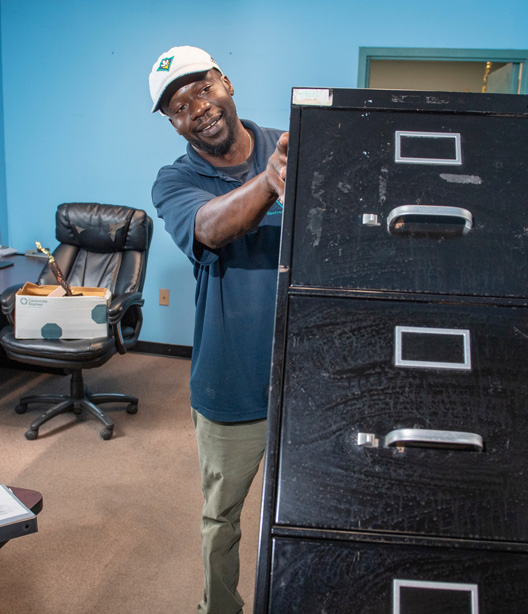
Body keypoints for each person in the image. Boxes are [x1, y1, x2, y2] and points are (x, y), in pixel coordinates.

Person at [148, 45, 288, 614]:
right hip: (232, 379)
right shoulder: (175, 181)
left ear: (224, 82)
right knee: (221, 517)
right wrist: (273, 183)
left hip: (312, 375)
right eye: (179, 107)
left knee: (312, 505)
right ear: (171, 122)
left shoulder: (292, 142)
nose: (197, 108)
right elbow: (208, 226)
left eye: (202, 89)